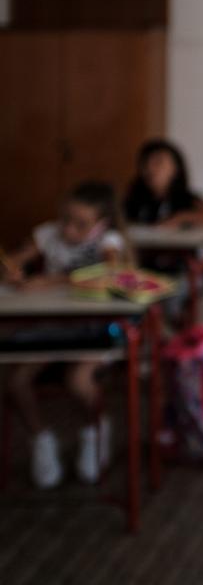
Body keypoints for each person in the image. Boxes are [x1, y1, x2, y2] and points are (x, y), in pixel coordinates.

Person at [1, 181, 129, 488]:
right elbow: (16, 261)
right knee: (16, 382)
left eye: (81, 224)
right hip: (51, 327)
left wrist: (49, 281)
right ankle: (41, 437)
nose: (69, 230)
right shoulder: (48, 234)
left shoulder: (108, 241)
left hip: (95, 329)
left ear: (101, 224)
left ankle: (95, 429)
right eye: (65, 220)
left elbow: (109, 272)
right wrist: (11, 271)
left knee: (78, 380)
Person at [124, 138, 203, 230]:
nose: (150, 168)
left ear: (175, 168)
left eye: (158, 162)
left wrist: (182, 217)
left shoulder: (186, 199)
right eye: (145, 163)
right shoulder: (133, 198)